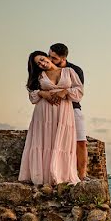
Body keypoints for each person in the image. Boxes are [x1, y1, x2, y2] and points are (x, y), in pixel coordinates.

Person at [18, 51, 83, 186]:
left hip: (64, 111)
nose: (42, 63)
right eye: (38, 63)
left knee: (62, 142)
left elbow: (79, 91)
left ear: (47, 57)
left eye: (42, 59)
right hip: (44, 113)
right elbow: (32, 96)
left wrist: (65, 91)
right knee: (44, 142)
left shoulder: (69, 71)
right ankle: (43, 176)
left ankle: (61, 174)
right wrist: (42, 93)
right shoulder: (39, 76)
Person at [47, 43, 87, 179]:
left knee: (81, 141)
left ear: (63, 58)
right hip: (52, 109)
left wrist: (65, 91)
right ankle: (57, 174)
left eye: (54, 58)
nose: (50, 60)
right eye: (49, 56)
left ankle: (82, 175)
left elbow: (79, 91)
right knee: (53, 142)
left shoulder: (75, 70)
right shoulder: (45, 69)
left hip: (73, 107)